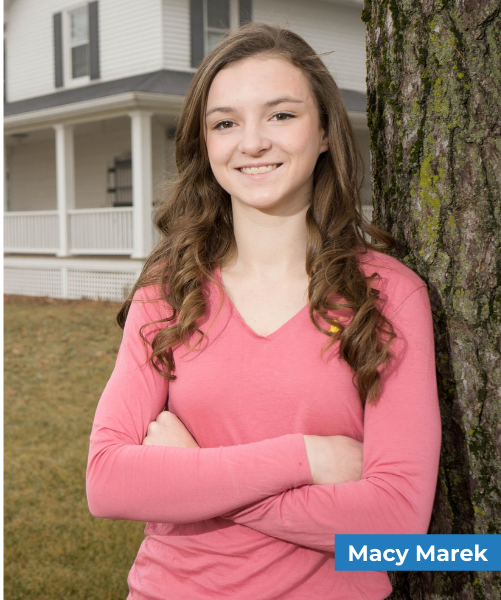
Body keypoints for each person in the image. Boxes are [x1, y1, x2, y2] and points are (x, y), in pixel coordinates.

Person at [86, 23, 439, 599]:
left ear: (324, 130)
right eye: (225, 123)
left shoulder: (388, 296)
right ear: (206, 145)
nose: (252, 142)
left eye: (280, 115)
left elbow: (395, 525)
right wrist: (308, 457)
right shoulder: (168, 290)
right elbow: (107, 483)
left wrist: (196, 472)